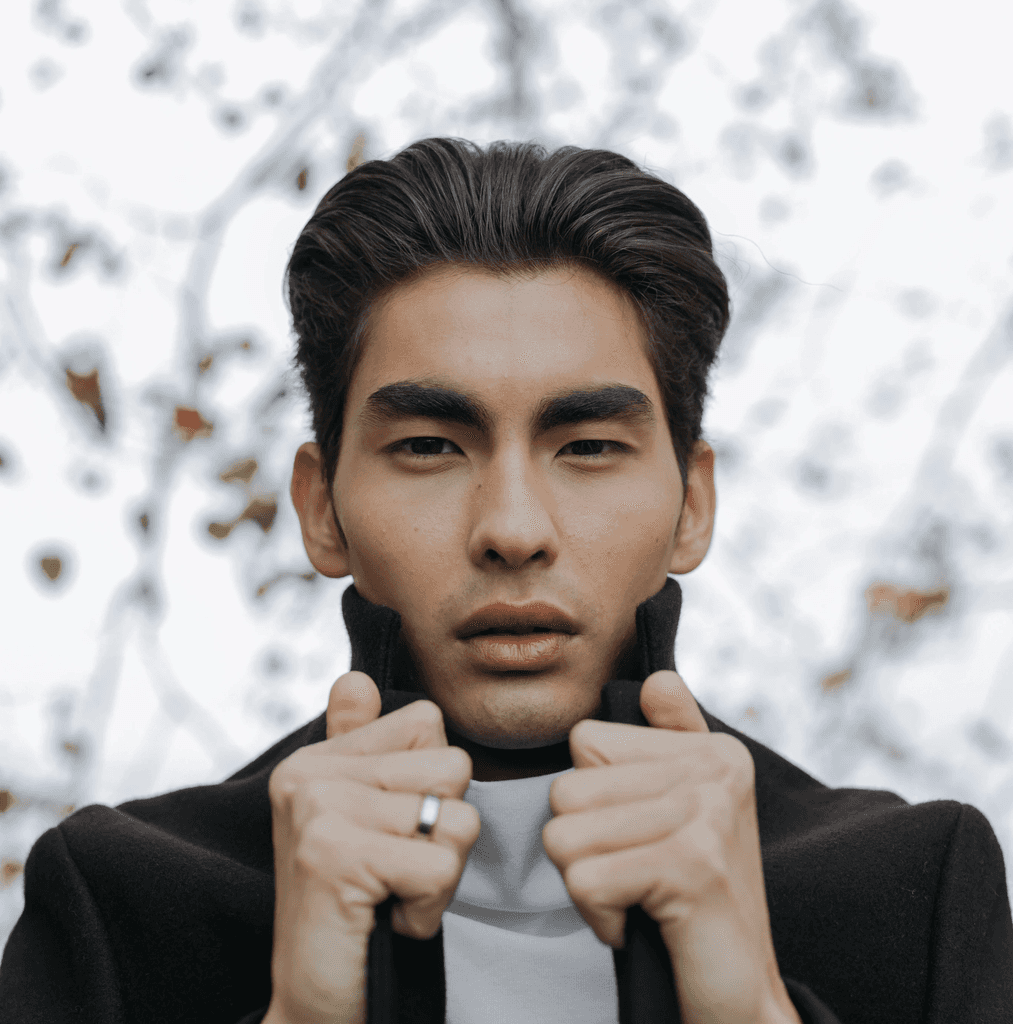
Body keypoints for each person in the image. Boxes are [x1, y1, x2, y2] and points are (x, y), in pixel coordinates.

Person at [1, 138, 1010, 1024]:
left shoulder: (912, 889)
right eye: (430, 445)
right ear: (320, 508)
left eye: (588, 447)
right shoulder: (120, 903)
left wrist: (751, 1007)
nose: (513, 531)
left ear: (691, 505)